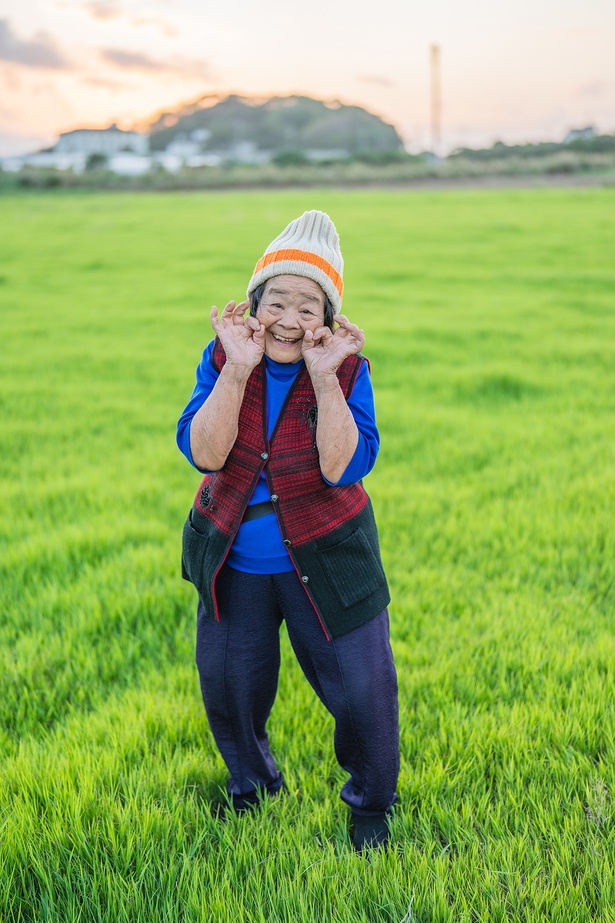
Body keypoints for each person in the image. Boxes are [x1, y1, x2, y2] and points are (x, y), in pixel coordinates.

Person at [177, 210, 399, 851]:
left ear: (328, 320)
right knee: (228, 689)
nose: (289, 320)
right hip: (235, 558)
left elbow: (343, 466)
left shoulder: (349, 371)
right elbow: (206, 453)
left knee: (364, 692)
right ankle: (252, 788)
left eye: (309, 307)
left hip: (330, 557)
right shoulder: (223, 357)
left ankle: (370, 807)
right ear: (255, 303)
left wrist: (327, 378)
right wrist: (238, 369)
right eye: (277, 300)